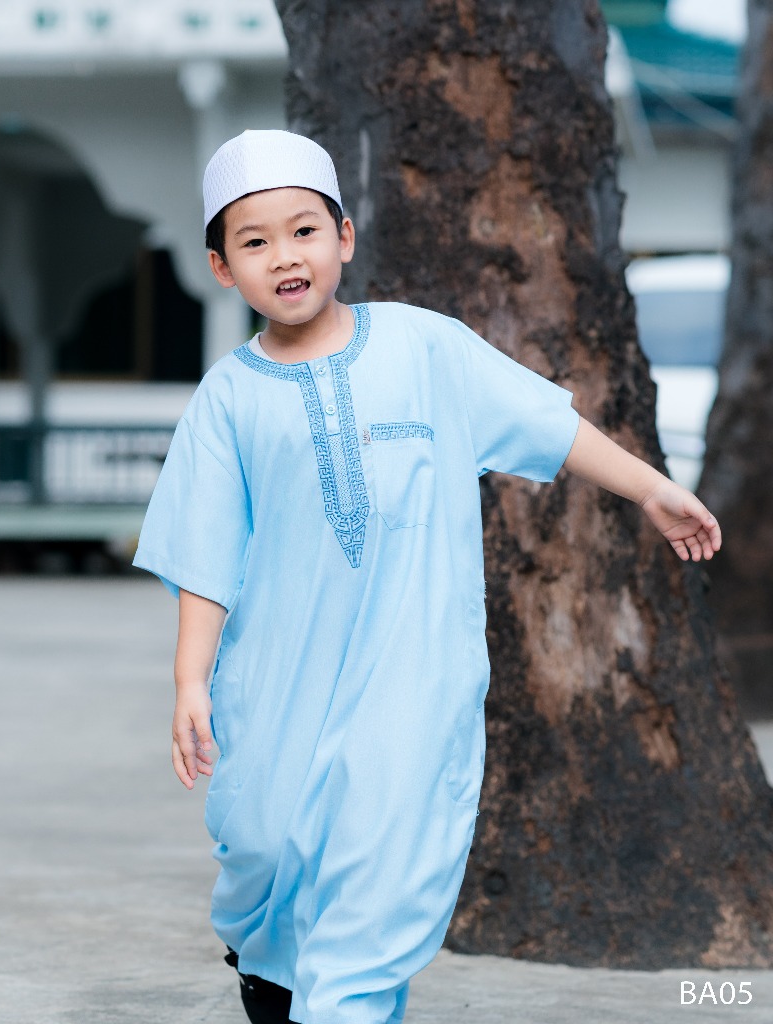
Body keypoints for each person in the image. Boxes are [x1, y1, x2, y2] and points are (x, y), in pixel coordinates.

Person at [132, 130, 721, 1024]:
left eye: (303, 231)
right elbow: (204, 552)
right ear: (221, 267)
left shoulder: (424, 347)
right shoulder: (227, 398)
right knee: (264, 847)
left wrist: (650, 489)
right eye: (255, 242)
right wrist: (189, 680)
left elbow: (544, 422)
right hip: (279, 686)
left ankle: (343, 1003)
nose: (284, 256)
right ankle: (273, 969)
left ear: (344, 238)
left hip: (411, 683)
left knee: (380, 868)